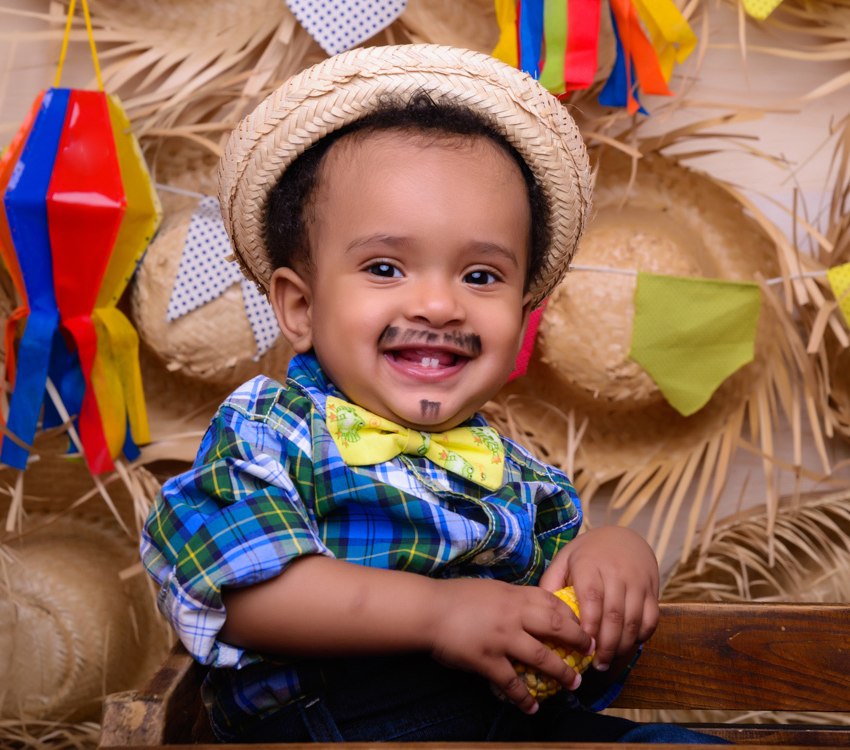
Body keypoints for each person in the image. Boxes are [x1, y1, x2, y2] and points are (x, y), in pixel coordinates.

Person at [141, 44, 726, 744]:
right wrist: (441, 612)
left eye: (481, 277)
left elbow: (569, 650)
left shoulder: (523, 477)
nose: (441, 304)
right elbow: (239, 592)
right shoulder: (272, 431)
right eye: (385, 267)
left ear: (521, 315)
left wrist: (615, 558)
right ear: (299, 307)